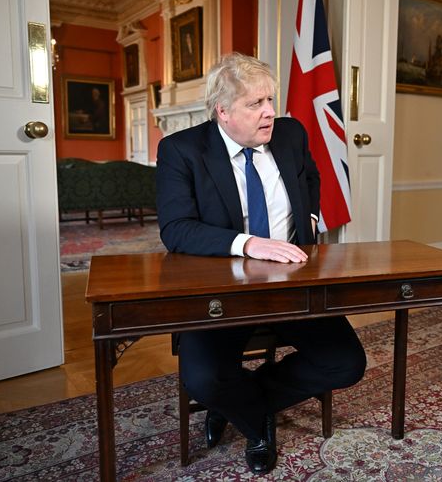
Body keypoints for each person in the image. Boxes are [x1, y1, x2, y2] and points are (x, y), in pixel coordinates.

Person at [156, 53, 366, 474]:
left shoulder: (290, 134)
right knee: (203, 380)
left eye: (270, 100)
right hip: (220, 290)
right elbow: (176, 229)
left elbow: (310, 177)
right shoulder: (182, 150)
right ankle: (256, 423)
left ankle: (240, 405)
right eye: (256, 104)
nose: (270, 112)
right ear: (223, 111)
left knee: (346, 362)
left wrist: (307, 217)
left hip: (291, 285)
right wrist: (248, 243)